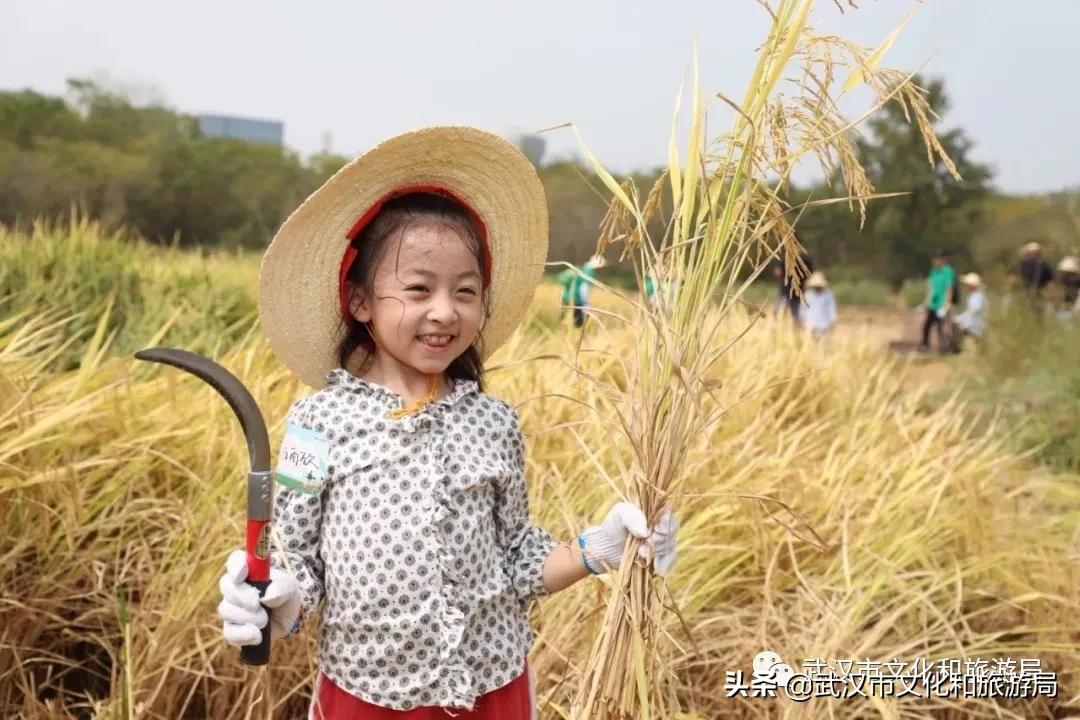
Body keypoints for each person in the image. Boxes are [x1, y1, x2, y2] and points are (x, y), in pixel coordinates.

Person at [216, 127, 679, 720]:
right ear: (360, 302)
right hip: (368, 693)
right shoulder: (318, 422)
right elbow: (299, 563)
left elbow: (516, 560)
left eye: (466, 291)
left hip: (493, 690)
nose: (444, 311)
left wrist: (601, 547)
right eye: (417, 288)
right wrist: (274, 599)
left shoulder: (493, 422)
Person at [919, 249, 956, 353]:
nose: (936, 261)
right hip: (933, 304)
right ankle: (925, 345)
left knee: (941, 328)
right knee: (926, 326)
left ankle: (944, 348)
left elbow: (949, 288)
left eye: (939, 259)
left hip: (941, 304)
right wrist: (925, 302)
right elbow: (930, 288)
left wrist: (947, 304)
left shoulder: (948, 271)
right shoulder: (933, 272)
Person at [772, 250, 814, 323]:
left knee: (795, 313)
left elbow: (811, 274)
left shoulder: (806, 260)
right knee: (780, 311)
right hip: (787, 290)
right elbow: (778, 272)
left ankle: (794, 328)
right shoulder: (786, 258)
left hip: (798, 291)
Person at [951, 272, 988, 349]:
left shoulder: (977, 296)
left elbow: (974, 311)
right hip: (975, 325)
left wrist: (960, 320)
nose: (965, 286)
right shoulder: (976, 295)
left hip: (975, 327)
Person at [570, 255, 606, 328]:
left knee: (577, 319)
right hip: (580, 299)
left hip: (576, 297)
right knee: (579, 321)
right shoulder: (589, 272)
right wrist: (586, 303)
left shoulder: (585, 269)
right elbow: (584, 288)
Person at [800, 272, 837, 339]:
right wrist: (803, 322)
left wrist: (832, 322)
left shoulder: (828, 295)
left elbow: (831, 309)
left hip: (824, 325)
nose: (817, 287)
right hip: (810, 325)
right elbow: (802, 310)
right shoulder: (807, 295)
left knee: (822, 345)